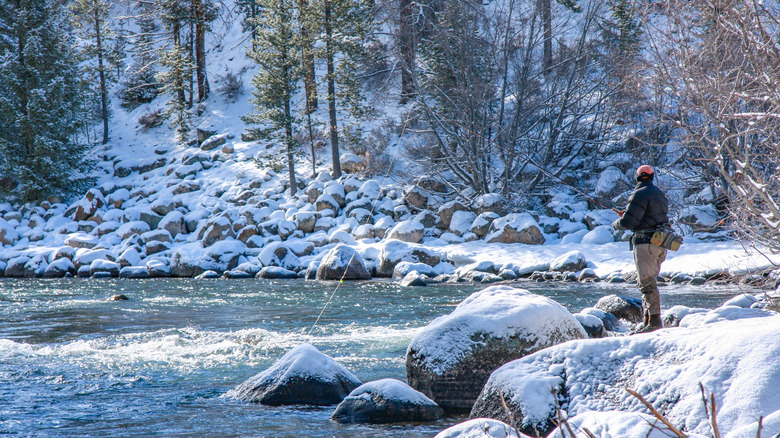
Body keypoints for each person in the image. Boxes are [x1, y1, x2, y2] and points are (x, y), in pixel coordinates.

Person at [612, 165, 669, 334]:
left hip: (646, 244)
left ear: (638, 177)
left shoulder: (639, 193)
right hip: (660, 244)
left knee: (647, 283)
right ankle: (647, 320)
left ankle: (654, 322)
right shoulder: (659, 194)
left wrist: (617, 223)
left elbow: (629, 223)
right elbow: (649, 217)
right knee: (649, 281)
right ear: (651, 177)